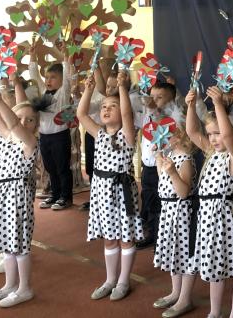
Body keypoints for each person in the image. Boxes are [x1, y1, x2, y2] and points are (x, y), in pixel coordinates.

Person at [77, 71, 143, 301]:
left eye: (112, 106)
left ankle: (123, 280)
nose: (106, 109)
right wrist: (88, 90)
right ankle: (110, 279)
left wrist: (122, 88)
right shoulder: (99, 134)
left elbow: (126, 113)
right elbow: (81, 114)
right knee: (109, 237)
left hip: (121, 191)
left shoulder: (128, 134)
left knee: (126, 237)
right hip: (101, 192)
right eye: (104, 106)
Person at [0, 79, 40, 307]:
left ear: (36, 126)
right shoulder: (7, 137)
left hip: (17, 198)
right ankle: (10, 285)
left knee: (19, 246)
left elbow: (13, 124)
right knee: (7, 245)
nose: (24, 122)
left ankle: (25, 288)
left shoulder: (30, 142)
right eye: (20, 117)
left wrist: (1, 101)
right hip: (1, 195)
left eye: (30, 120)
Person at [185, 86, 233, 318]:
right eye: (210, 134)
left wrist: (219, 105)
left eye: (217, 133)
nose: (212, 138)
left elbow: (229, 136)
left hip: (225, 218)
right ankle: (214, 312)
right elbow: (192, 131)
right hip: (207, 218)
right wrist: (190, 106)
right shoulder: (211, 153)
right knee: (215, 268)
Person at [151, 121, 197, 318]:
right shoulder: (171, 156)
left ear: (178, 137)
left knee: (185, 255)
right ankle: (175, 292)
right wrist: (158, 158)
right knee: (174, 252)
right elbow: (162, 180)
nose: (161, 138)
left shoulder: (185, 158)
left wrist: (171, 171)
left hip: (181, 212)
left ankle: (185, 298)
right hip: (168, 211)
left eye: (166, 134)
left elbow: (183, 192)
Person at [137, 80, 181, 250]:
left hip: (166, 168)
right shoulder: (147, 114)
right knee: (149, 201)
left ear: (171, 100)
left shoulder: (174, 118)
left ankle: (162, 240)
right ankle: (152, 233)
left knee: (162, 205)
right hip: (148, 167)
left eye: (159, 98)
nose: (153, 101)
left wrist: (153, 109)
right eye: (152, 96)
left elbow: (163, 127)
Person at [30, 53, 75, 210]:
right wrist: (33, 57)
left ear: (61, 80)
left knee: (62, 168)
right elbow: (35, 77)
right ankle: (55, 194)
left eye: (53, 77)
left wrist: (66, 59)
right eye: (47, 77)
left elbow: (68, 79)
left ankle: (66, 197)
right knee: (50, 168)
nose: (48, 80)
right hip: (44, 137)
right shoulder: (43, 92)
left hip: (60, 137)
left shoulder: (63, 94)